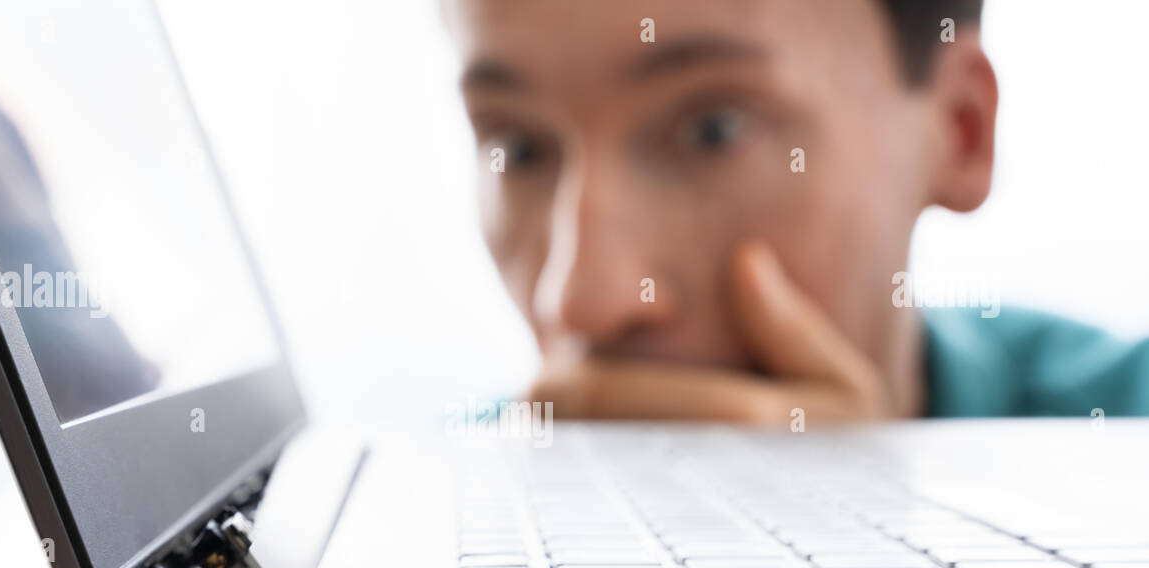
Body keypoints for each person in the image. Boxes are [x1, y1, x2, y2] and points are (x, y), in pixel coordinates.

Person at [443, 0, 1149, 421]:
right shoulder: (436, 513)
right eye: (520, 146)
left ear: (960, 128)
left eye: (712, 130)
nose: (581, 300)